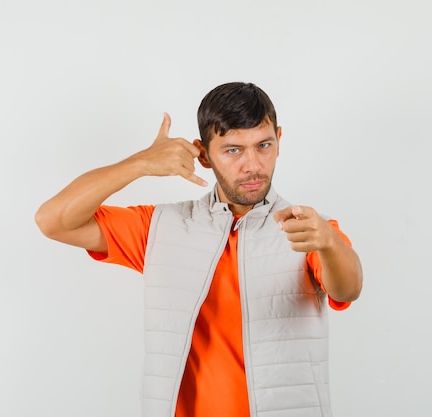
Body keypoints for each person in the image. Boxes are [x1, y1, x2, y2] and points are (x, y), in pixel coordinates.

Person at [35, 82, 363, 417]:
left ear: (279, 140)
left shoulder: (308, 228)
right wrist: (140, 164)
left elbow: (348, 289)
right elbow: (54, 220)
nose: (253, 165)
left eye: (263, 145)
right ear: (203, 155)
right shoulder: (161, 227)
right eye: (233, 150)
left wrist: (328, 242)